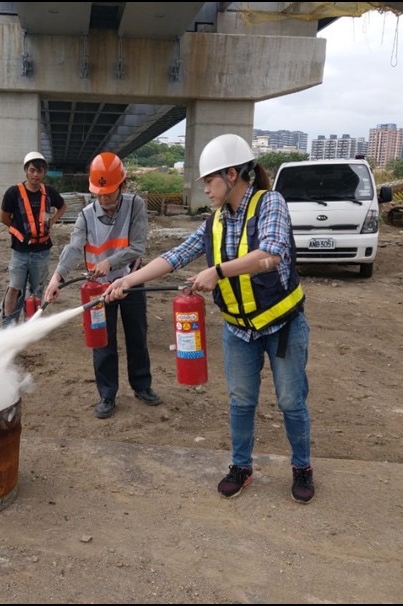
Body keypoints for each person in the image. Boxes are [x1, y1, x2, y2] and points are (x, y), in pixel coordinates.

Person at [104, 134, 314, 504]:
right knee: (241, 400)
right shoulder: (215, 221)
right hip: (239, 331)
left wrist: (217, 271)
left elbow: (272, 253)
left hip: (282, 326)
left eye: (209, 181)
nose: (206, 189)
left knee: (291, 400)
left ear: (232, 175)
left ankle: (301, 468)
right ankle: (241, 467)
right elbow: (176, 255)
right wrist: (127, 280)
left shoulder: (271, 204)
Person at [44, 151, 161, 419]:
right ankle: (107, 394)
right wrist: (56, 278)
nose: (104, 198)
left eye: (109, 192)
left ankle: (142, 386)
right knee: (102, 341)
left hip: (131, 281)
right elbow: (74, 248)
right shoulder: (85, 215)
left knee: (137, 335)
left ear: (122, 185)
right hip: (99, 288)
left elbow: (138, 246)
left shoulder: (136, 206)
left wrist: (110, 261)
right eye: (100, 193)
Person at [0, 151, 66, 327]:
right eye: (32, 170)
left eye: (40, 171)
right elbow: (4, 218)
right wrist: (17, 232)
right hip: (20, 251)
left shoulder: (49, 192)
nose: (36, 174)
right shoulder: (13, 193)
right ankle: (9, 324)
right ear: (26, 171)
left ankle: (32, 323)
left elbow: (62, 206)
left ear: (44, 173)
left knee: (37, 290)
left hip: (42, 251)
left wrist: (52, 221)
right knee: (14, 288)